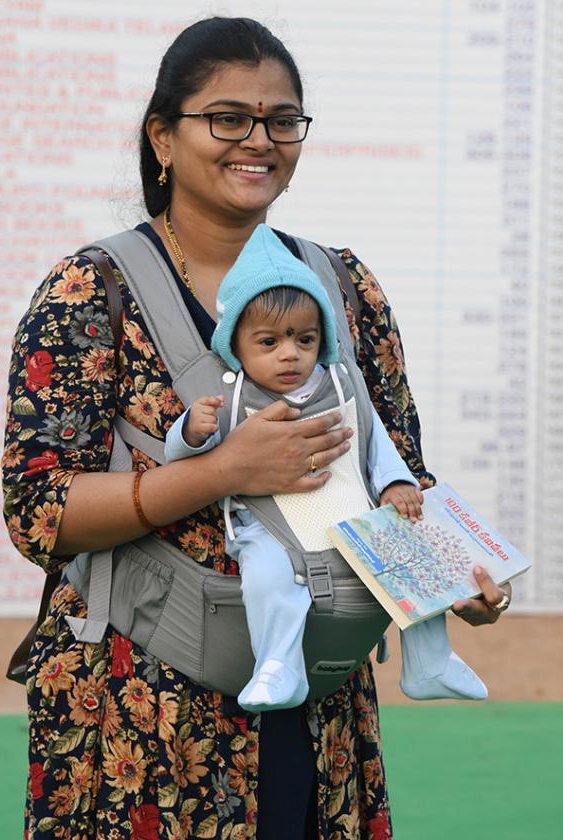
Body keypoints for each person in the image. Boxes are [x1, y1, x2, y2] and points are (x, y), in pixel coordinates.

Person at [2, 16, 513, 840]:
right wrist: (223, 470)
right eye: (228, 118)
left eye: (282, 120)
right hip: (137, 719)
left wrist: (449, 577)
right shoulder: (91, 290)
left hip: (316, 709)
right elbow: (37, 512)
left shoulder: (343, 287)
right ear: (162, 137)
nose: (260, 141)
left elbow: (394, 472)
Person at [164, 223, 488, 712]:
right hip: (270, 524)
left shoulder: (341, 385)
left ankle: (429, 660)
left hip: (350, 512)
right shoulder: (230, 398)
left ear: (323, 338)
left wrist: (396, 482)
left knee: (415, 560)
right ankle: (278, 665)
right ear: (236, 344)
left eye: (304, 338)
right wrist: (191, 430)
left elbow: (373, 439)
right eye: (269, 342)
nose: (290, 353)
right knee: (269, 578)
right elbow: (183, 458)